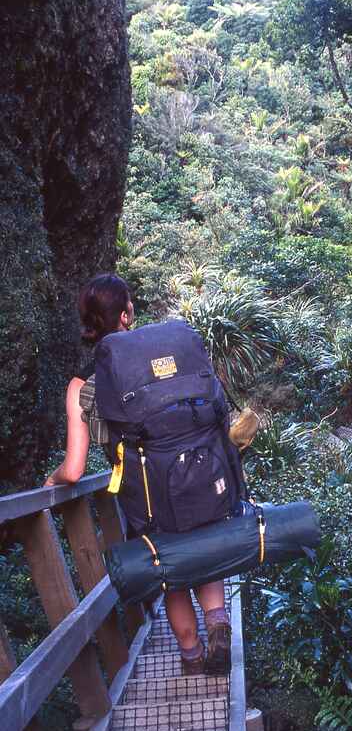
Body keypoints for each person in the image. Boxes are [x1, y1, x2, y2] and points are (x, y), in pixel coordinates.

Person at [45, 273, 231, 676]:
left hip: (144, 495)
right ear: (128, 314)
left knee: (171, 574)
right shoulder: (160, 357)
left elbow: (75, 470)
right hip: (198, 477)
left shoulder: (81, 384)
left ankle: (193, 655)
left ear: (89, 322)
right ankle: (218, 623)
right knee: (204, 550)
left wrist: (52, 480)